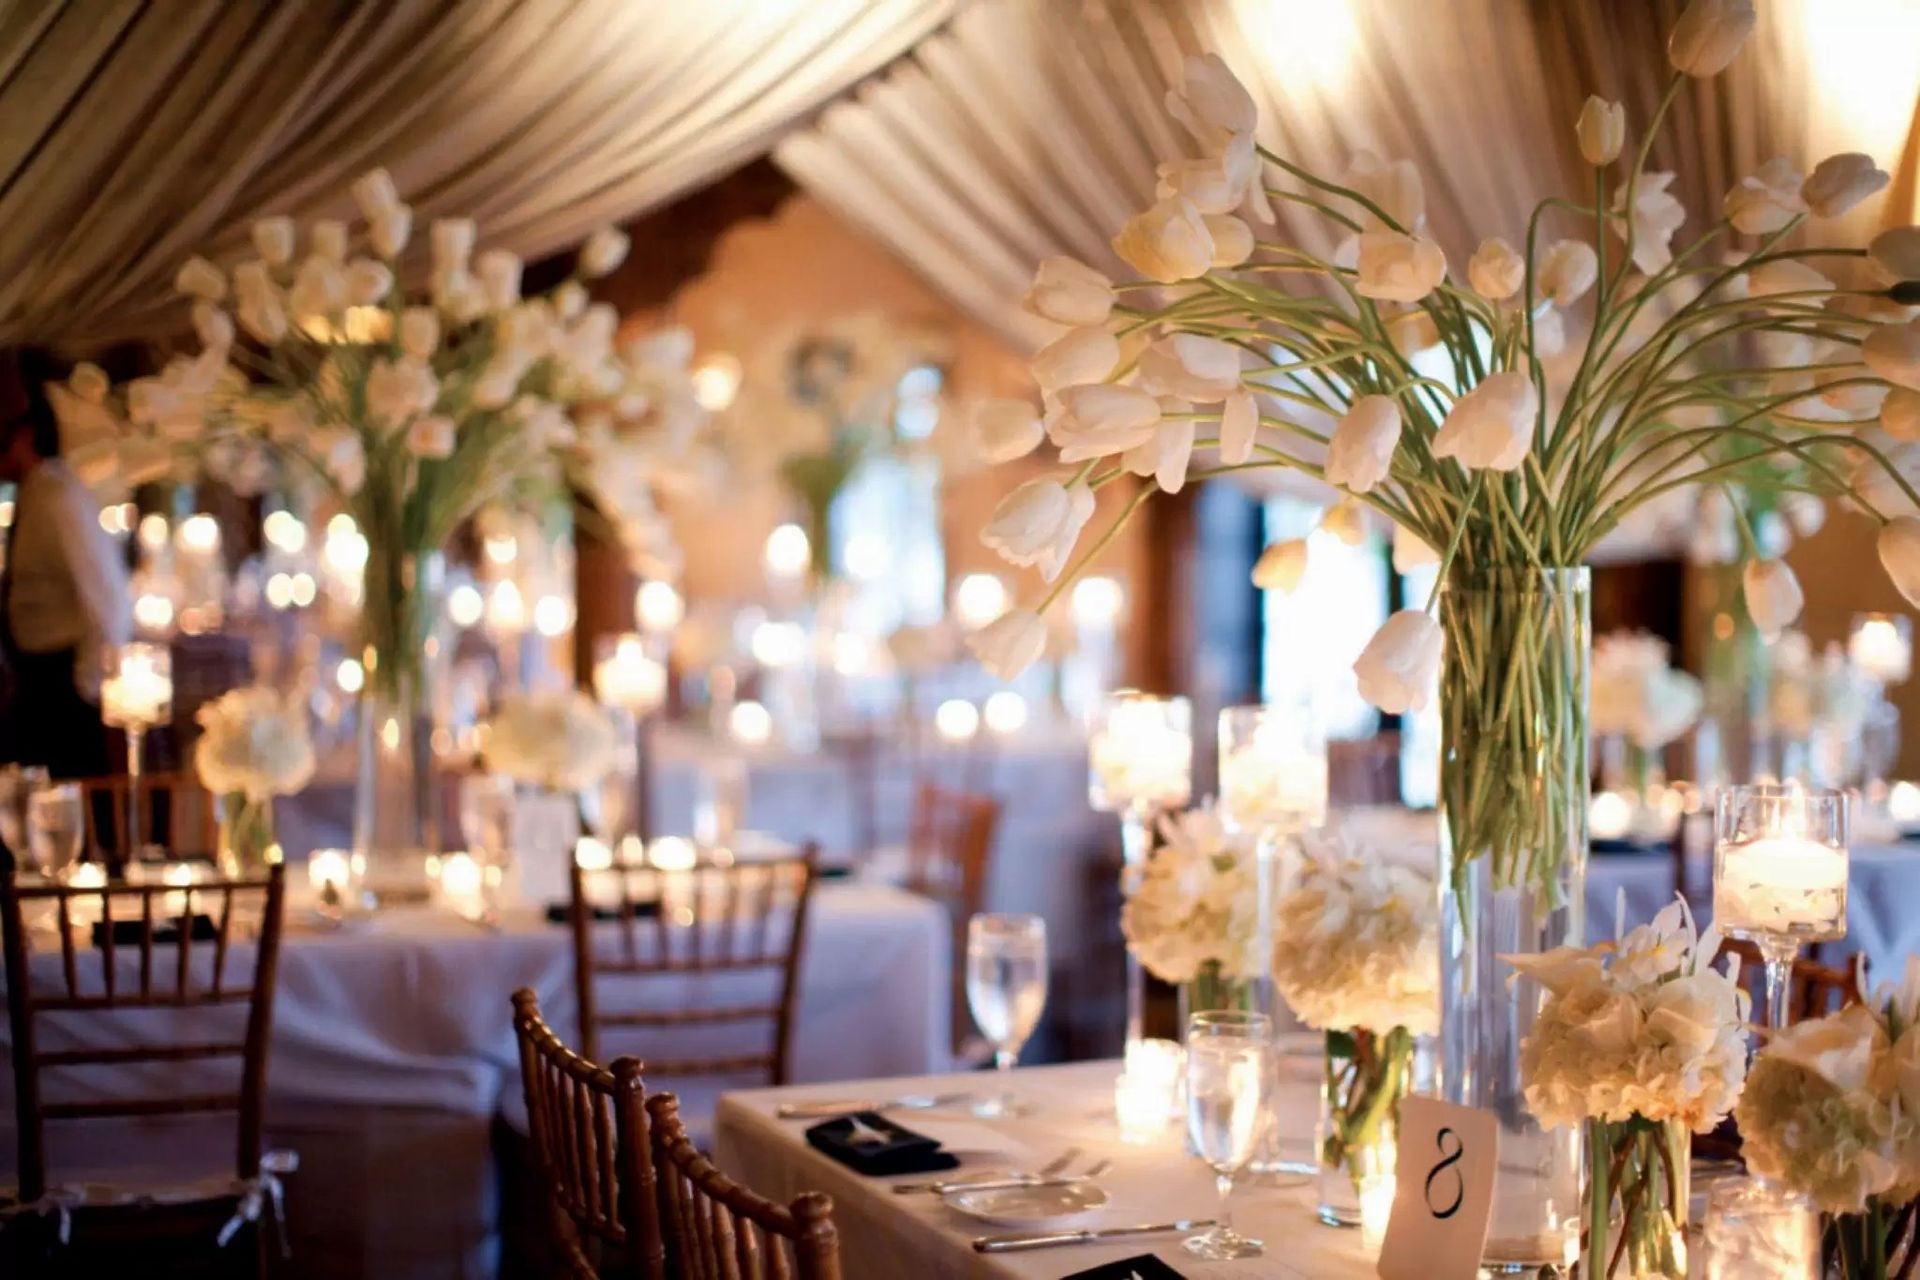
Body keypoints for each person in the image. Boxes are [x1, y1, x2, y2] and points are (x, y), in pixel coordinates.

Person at [0, 347, 130, 779]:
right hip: (36, 685)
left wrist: (87, 690)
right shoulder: (34, 494)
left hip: (63, 689)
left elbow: (107, 598)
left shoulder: (58, 496)